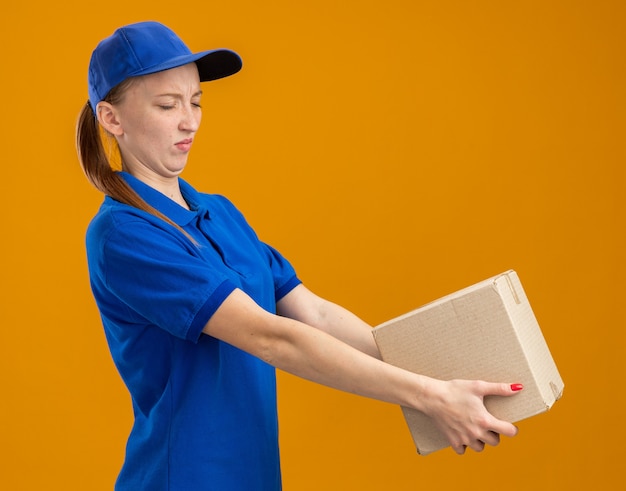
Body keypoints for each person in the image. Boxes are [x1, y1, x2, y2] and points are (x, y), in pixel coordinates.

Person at [76, 21, 523, 491]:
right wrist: (430, 396)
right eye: (167, 105)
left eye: (196, 101)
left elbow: (317, 315)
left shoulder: (219, 211)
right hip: (185, 477)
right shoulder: (123, 234)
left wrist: (448, 376)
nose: (190, 121)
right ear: (112, 118)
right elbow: (271, 338)